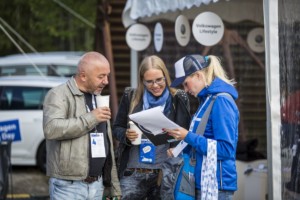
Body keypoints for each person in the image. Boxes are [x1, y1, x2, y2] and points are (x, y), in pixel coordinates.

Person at [43, 51, 121, 200]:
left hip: (97, 186)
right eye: (101, 76)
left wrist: (114, 187)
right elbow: (51, 129)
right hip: (68, 186)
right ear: (83, 76)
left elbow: (107, 146)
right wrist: (91, 118)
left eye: (107, 75)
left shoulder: (97, 97)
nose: (106, 81)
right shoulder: (58, 94)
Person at [112, 55, 191, 200]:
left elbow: (186, 135)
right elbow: (116, 128)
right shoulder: (131, 96)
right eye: (149, 81)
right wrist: (126, 135)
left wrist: (175, 144)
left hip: (164, 173)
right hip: (133, 172)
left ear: (166, 77)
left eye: (159, 80)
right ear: (142, 80)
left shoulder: (178, 98)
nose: (155, 85)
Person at [164, 54, 239, 200]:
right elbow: (203, 140)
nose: (185, 90)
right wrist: (179, 149)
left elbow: (226, 149)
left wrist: (187, 136)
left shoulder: (221, 101)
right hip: (204, 181)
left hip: (217, 185)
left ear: (198, 75)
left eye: (186, 83)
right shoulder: (207, 99)